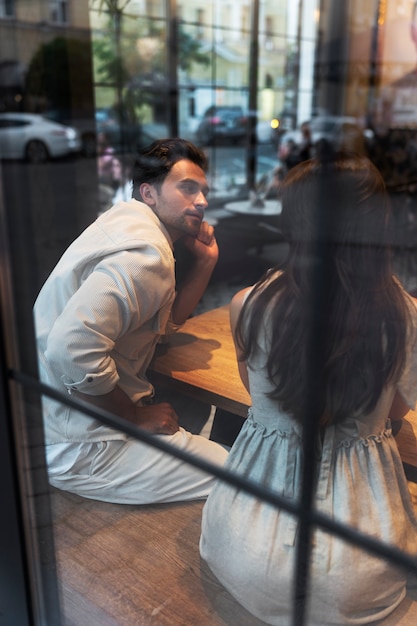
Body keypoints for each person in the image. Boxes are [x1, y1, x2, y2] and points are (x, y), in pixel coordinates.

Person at [200, 153, 417, 625]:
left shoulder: (247, 304)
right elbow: (397, 410)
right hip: (356, 577)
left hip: (237, 544)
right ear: (379, 223)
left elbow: (259, 398)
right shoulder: (404, 315)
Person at [33, 138, 228, 505]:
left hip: (53, 421)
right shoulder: (146, 257)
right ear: (148, 193)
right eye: (187, 188)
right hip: (82, 445)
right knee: (243, 475)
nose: (201, 202)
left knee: (196, 416)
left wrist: (204, 264)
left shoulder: (123, 223)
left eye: (203, 191)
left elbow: (161, 324)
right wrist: (133, 417)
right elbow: (71, 348)